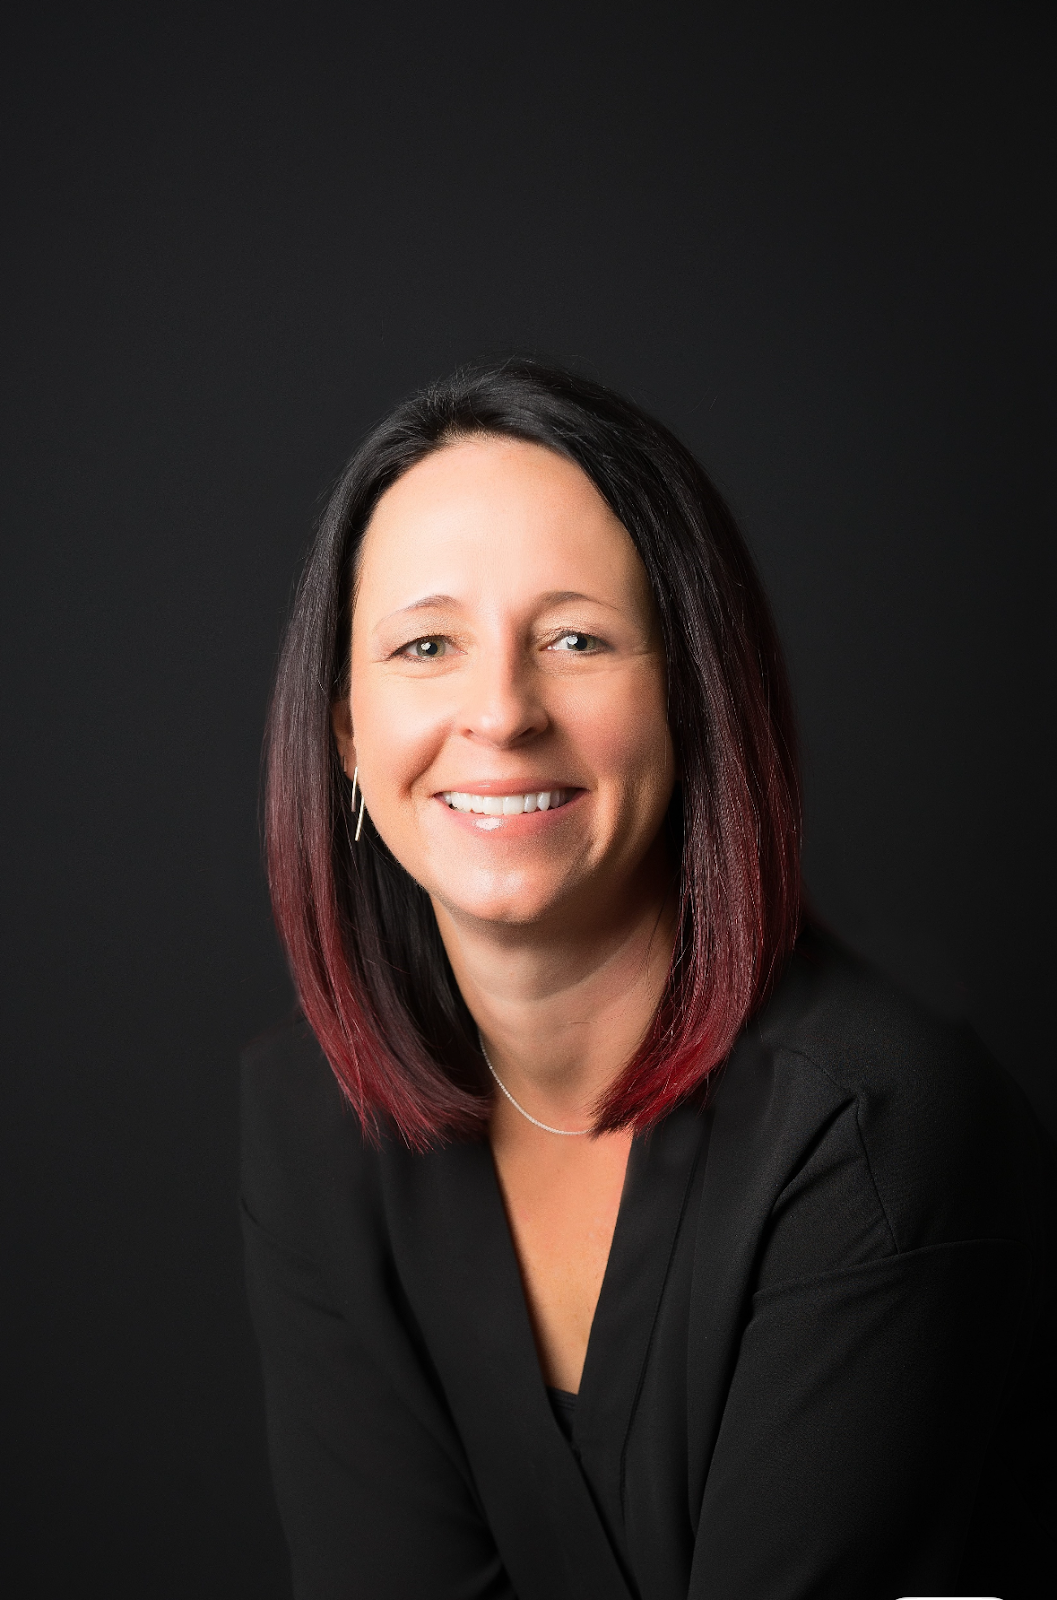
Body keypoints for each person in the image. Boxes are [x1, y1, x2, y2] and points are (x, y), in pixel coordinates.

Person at [241, 358, 1055, 1599]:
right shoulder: (313, 1114)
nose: (500, 712)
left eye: (575, 637)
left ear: (690, 694)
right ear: (348, 733)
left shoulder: (877, 1134)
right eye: (425, 644)